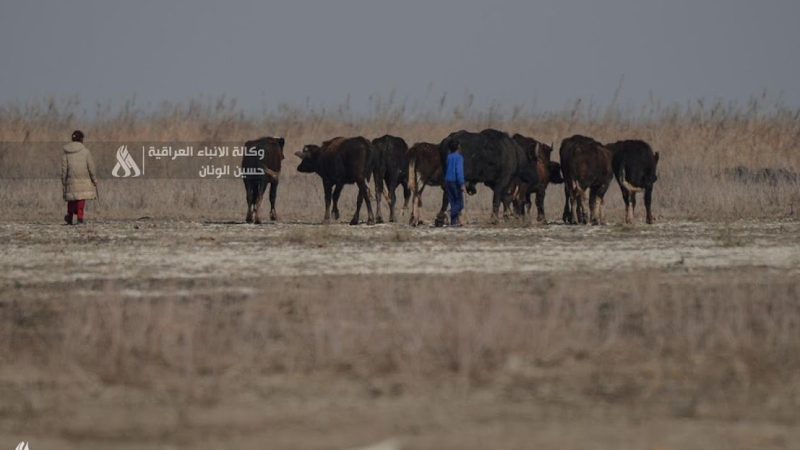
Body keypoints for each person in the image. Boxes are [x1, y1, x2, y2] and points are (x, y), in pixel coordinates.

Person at [61, 130, 97, 224]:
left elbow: (64, 168)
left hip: (70, 178)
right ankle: (80, 218)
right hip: (84, 179)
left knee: (71, 199)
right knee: (81, 199)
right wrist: (94, 179)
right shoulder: (86, 152)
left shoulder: (66, 152)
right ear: (81, 139)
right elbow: (91, 167)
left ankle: (70, 216)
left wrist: (63, 180)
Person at [444, 139, 466, 226]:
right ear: (458, 147)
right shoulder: (459, 158)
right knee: (460, 204)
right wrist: (462, 184)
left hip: (447, 181)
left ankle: (454, 223)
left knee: (453, 202)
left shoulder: (449, 157)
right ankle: (449, 213)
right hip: (455, 182)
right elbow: (459, 171)